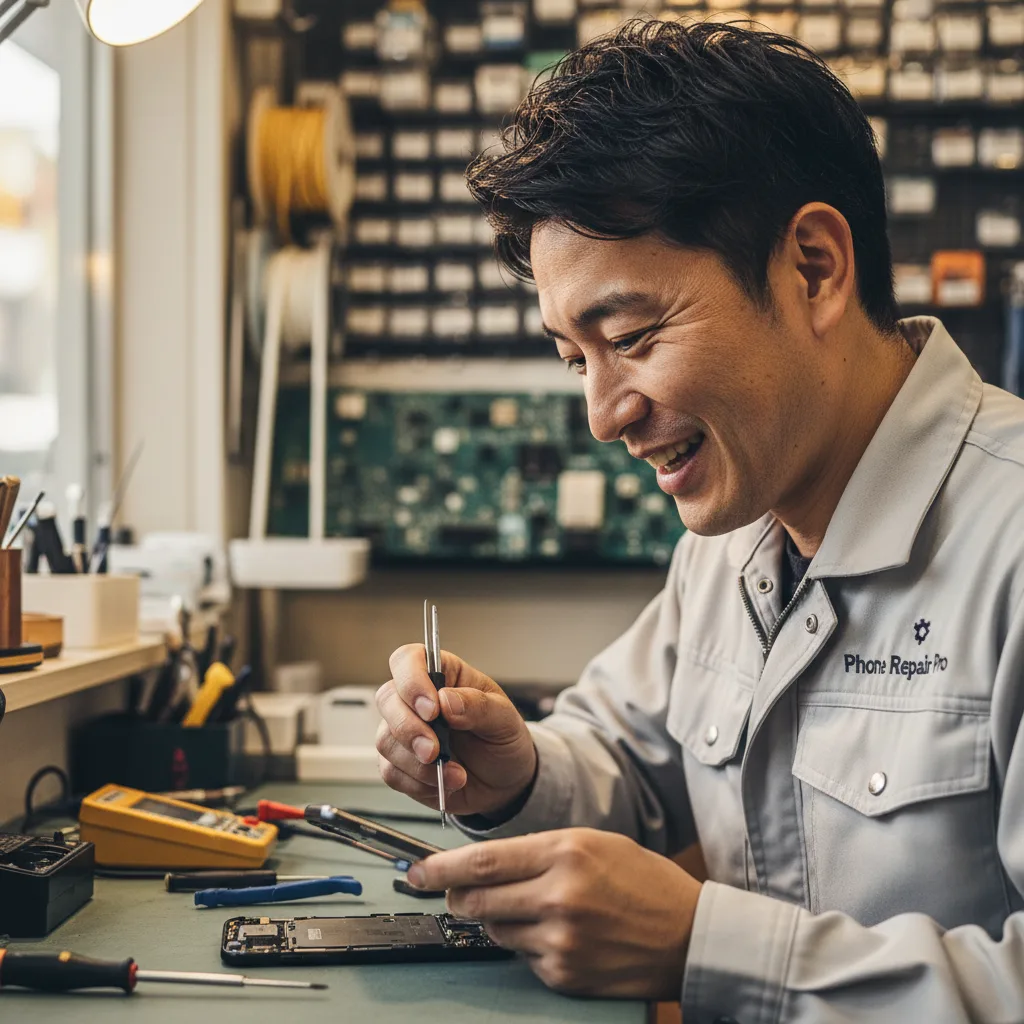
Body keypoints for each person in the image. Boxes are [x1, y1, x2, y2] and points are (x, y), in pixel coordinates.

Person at [375, 19, 1024, 1022]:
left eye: (630, 336)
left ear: (812, 266)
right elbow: (625, 760)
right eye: (573, 357)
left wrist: (709, 947)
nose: (602, 414)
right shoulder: (731, 535)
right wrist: (514, 768)